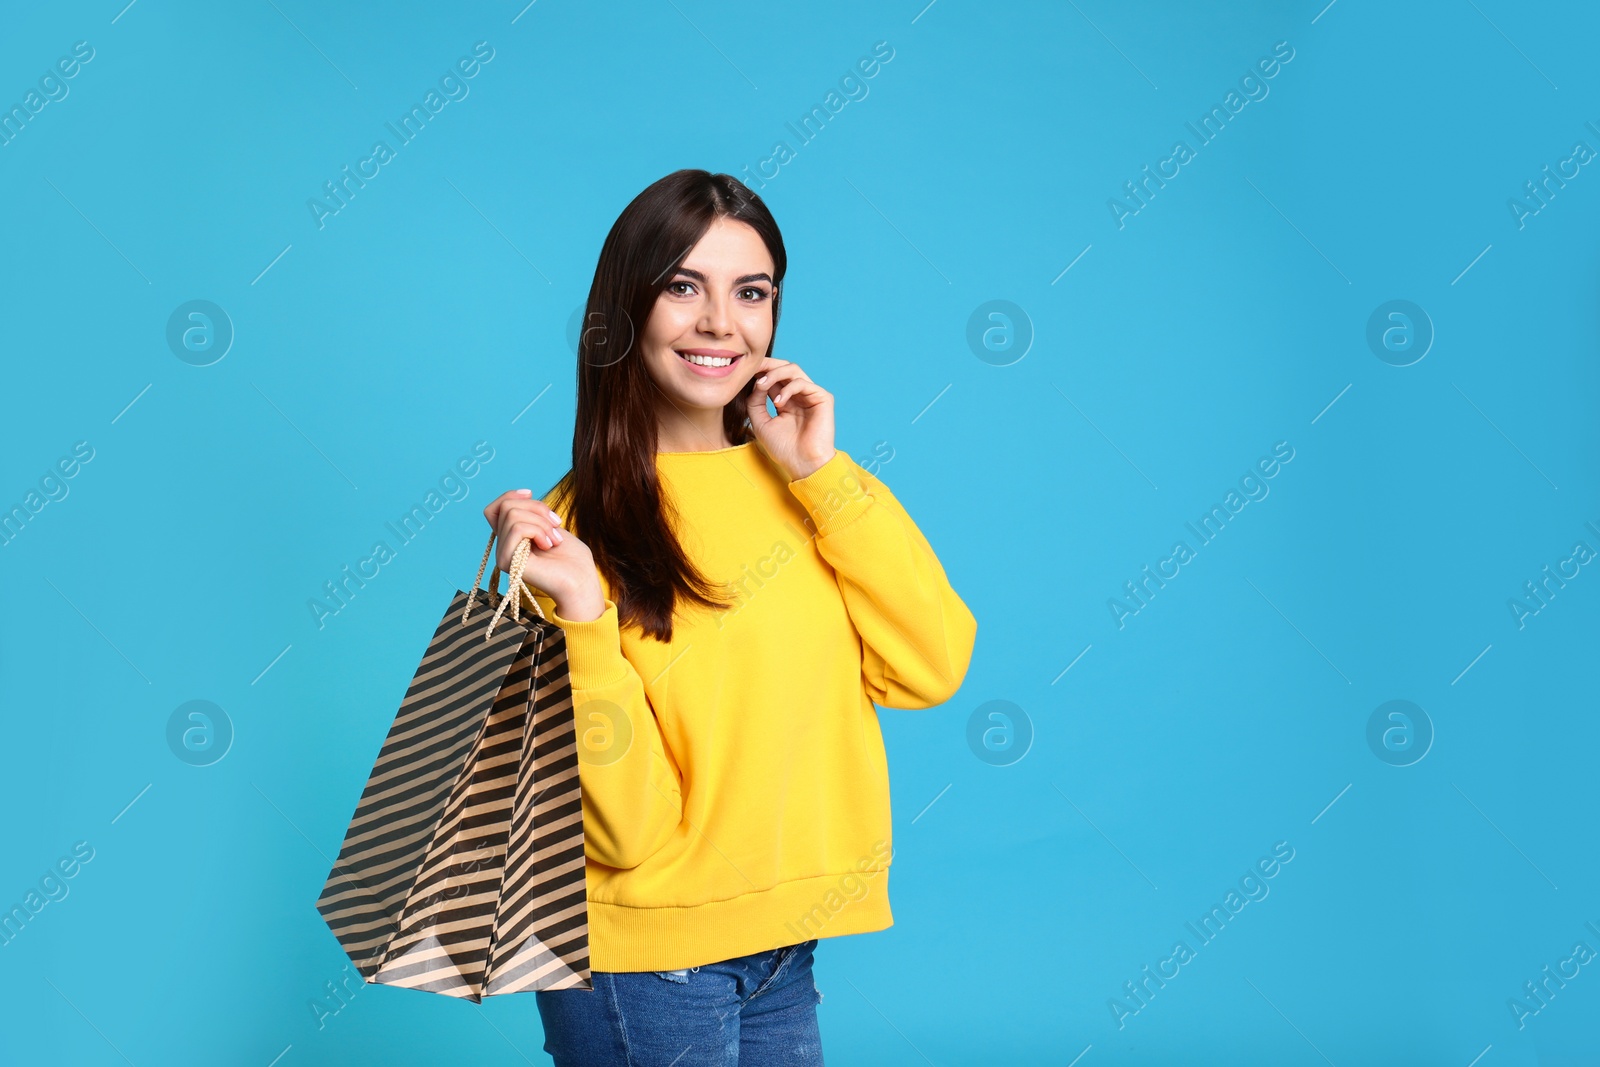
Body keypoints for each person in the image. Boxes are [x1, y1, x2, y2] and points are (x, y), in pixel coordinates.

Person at [482, 169, 977, 1065]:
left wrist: (822, 478)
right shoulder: (571, 536)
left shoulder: (812, 482)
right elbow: (621, 833)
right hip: (640, 965)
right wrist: (587, 614)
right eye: (684, 286)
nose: (722, 324)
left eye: (751, 292)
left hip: (785, 946)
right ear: (625, 309)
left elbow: (930, 664)